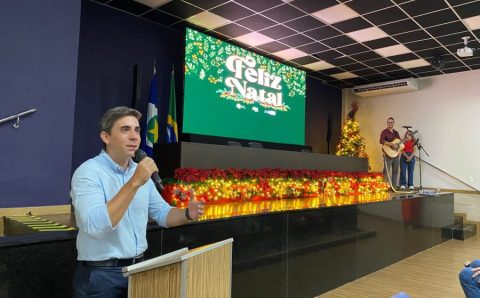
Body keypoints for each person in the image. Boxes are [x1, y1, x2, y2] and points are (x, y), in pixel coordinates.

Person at [71, 106, 205, 298]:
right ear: (106, 137)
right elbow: (95, 226)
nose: (134, 136)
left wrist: (187, 214)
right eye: (125, 130)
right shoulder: (88, 172)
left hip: (139, 270)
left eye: (137, 130)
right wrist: (135, 182)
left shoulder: (141, 173)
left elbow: (162, 214)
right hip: (101, 276)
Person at [379, 117, 401, 189]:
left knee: (395, 171)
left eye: (391, 122)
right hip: (387, 154)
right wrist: (391, 144)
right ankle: (384, 187)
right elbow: (381, 141)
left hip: (396, 154)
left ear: (393, 123)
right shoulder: (384, 132)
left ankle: (393, 187)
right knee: (386, 171)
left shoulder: (396, 132)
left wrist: (398, 148)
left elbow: (399, 143)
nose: (390, 123)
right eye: (389, 122)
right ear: (387, 123)